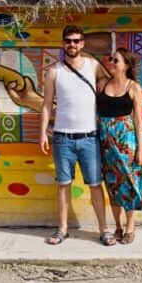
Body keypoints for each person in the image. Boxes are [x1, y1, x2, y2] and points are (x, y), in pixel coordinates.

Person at [40, 25, 114, 246]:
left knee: (95, 184)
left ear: (82, 43)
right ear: (63, 43)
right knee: (63, 184)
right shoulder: (54, 71)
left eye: (76, 41)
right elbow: (46, 106)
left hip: (89, 137)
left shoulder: (93, 66)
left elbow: (112, 85)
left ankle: (104, 230)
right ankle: (62, 229)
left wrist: (135, 91)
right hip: (62, 137)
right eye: (68, 41)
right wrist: (43, 133)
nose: (72, 45)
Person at [97, 48, 142, 245]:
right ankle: (117, 225)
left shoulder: (133, 87)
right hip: (106, 144)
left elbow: (138, 121)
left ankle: (130, 226)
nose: (111, 63)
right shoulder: (103, 84)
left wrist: (140, 150)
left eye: (116, 60)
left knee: (128, 184)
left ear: (126, 65)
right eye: (111, 59)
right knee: (112, 185)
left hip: (127, 143)